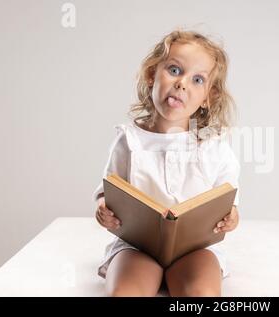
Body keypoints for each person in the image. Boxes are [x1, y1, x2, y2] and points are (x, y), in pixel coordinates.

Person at [92, 29, 241, 297]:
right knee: (123, 294)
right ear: (152, 75)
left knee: (201, 295)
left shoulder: (213, 145)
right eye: (174, 70)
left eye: (197, 79)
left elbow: (228, 201)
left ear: (209, 97)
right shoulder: (129, 140)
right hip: (138, 247)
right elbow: (108, 192)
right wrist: (103, 210)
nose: (182, 83)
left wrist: (231, 218)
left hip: (194, 249)